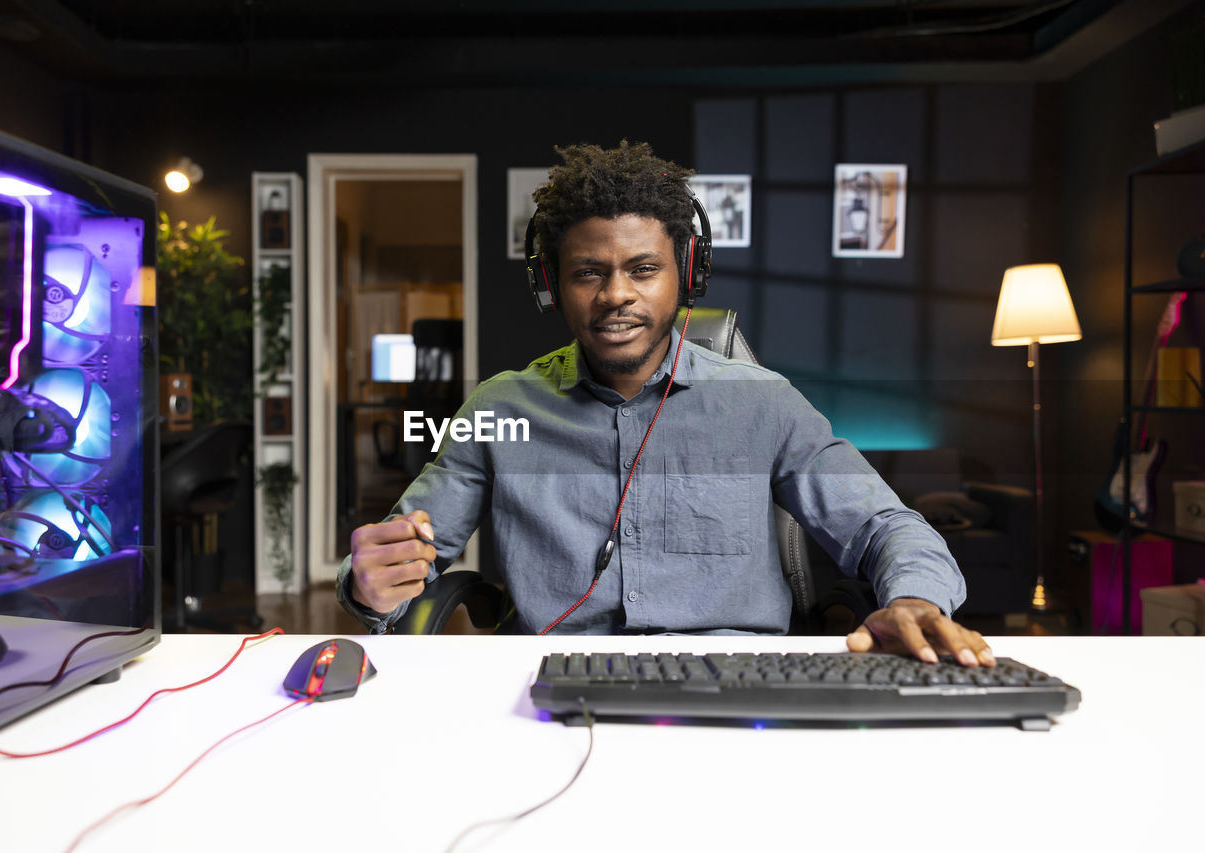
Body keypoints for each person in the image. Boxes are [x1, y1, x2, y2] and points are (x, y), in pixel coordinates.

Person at [339, 140, 994, 667]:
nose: (615, 293)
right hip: (558, 687)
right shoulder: (499, 408)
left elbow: (887, 526)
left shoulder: (764, 404)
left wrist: (914, 598)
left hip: (735, 686)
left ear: (686, 273)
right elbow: (401, 555)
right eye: (588, 271)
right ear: (552, 286)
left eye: (643, 269)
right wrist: (369, 582)